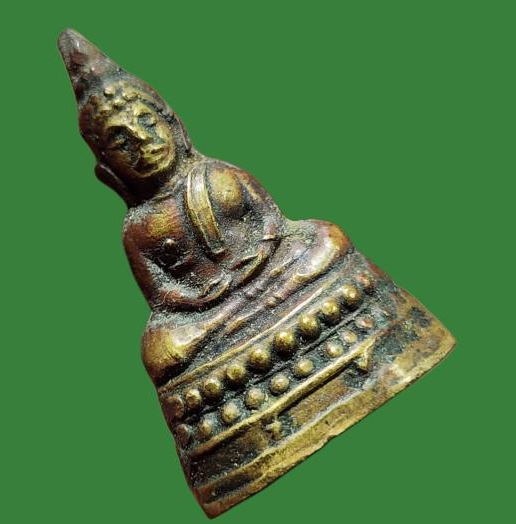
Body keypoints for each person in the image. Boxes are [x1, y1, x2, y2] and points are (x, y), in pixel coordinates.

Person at [59, 29, 352, 384]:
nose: (142, 141)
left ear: (173, 125)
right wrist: (198, 300)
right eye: (121, 141)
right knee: (161, 348)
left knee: (327, 239)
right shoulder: (138, 229)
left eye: (148, 123)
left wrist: (259, 257)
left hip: (270, 271)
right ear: (108, 170)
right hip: (211, 309)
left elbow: (270, 221)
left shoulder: (218, 174)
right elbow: (161, 293)